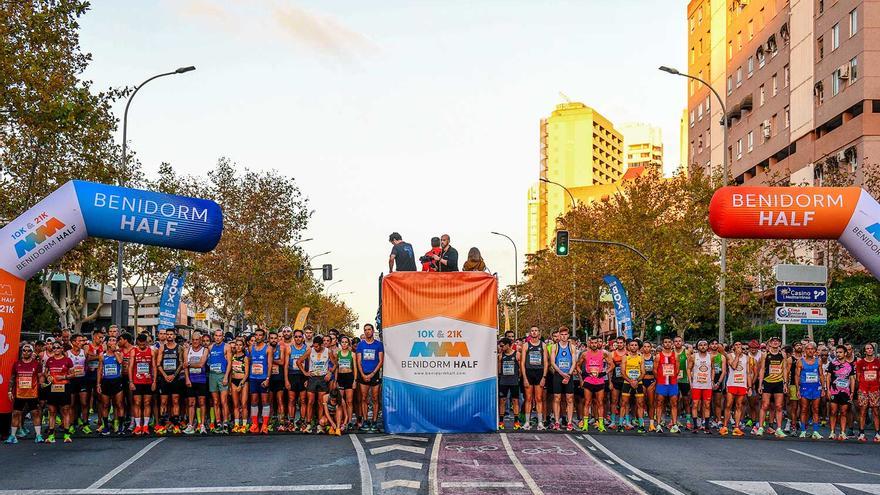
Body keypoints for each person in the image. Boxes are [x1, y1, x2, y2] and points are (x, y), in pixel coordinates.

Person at [298, 334, 337, 433]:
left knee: (321, 403)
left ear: (321, 345)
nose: (315, 348)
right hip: (312, 378)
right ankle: (308, 424)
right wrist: (305, 373)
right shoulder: (310, 350)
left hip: (323, 378)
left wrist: (330, 372)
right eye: (314, 346)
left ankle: (320, 425)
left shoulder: (328, 351)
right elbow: (299, 361)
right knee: (310, 402)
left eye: (317, 346)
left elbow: (336, 363)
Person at [6, 343, 44, 443]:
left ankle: (38, 435)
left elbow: (40, 378)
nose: (26, 352)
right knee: (16, 413)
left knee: (35, 413)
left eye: (29, 351)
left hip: (33, 394)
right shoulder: (17, 364)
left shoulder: (36, 364)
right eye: (24, 350)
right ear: (22, 352)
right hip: (19, 394)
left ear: (32, 352)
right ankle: (13, 436)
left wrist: (41, 389)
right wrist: (10, 391)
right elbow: (12, 378)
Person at [576, 335, 612, 432]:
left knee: (600, 403)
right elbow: (577, 365)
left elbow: (612, 365)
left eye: (596, 343)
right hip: (588, 381)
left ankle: (601, 424)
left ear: (598, 343)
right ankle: (585, 424)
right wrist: (583, 373)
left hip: (600, 381)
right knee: (587, 402)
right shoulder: (584, 354)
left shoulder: (603, 353)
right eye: (592, 343)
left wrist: (604, 373)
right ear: (589, 343)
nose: (594, 344)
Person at [756, 336, 788, 438]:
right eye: (773, 341)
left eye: (777, 341)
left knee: (779, 406)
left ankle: (778, 428)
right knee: (765, 405)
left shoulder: (783, 354)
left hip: (779, 382)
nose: (775, 343)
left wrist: (785, 383)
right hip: (768, 382)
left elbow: (785, 369)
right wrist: (760, 384)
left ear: (779, 343)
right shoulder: (765, 354)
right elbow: (762, 369)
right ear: (769, 343)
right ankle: (761, 427)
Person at [43, 341, 75, 443]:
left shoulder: (67, 360)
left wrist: (64, 376)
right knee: (52, 411)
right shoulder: (49, 360)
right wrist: (48, 377)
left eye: (58, 347)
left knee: (65, 410)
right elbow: (45, 372)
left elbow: (73, 374)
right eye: (54, 347)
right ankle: (51, 435)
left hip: (64, 387)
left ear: (62, 349)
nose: (56, 349)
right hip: (52, 388)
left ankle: (66, 435)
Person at [155, 329, 185, 435]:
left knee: (175, 401)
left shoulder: (180, 348)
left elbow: (181, 363)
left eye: (171, 334)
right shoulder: (162, 348)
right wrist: (165, 375)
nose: (169, 336)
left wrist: (173, 375)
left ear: (174, 336)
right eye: (167, 334)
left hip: (175, 378)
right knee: (163, 401)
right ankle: (163, 424)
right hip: (164, 377)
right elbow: (158, 364)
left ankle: (176, 424)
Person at [355, 323, 384, 432]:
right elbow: (358, 361)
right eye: (365, 329)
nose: (367, 331)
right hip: (363, 374)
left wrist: (372, 374)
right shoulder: (361, 345)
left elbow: (381, 361)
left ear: (373, 331)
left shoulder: (378, 344)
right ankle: (366, 421)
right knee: (364, 398)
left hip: (374, 374)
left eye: (369, 329)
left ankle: (375, 421)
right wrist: (363, 375)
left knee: (375, 398)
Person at [520, 325, 548, 430]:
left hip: (539, 373)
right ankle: (527, 422)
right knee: (528, 399)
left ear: (539, 333)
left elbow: (546, 362)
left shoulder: (543, 345)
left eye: (536, 330)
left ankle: (540, 422)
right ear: (530, 333)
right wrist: (524, 378)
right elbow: (522, 363)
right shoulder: (526, 345)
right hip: (529, 372)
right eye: (532, 331)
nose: (534, 332)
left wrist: (544, 377)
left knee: (539, 398)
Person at [794, 341, 824, 440]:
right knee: (804, 409)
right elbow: (797, 376)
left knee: (815, 409)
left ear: (815, 351)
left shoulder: (818, 361)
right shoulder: (800, 361)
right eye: (808, 349)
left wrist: (823, 388)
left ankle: (815, 431)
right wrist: (797, 389)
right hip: (804, 388)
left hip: (815, 388)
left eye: (812, 349)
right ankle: (803, 430)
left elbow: (821, 375)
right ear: (805, 350)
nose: (810, 351)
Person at [719, 341, 750, 436]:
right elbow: (733, 366)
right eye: (736, 345)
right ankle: (724, 426)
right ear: (733, 347)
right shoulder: (730, 356)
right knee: (728, 405)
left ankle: (736, 427)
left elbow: (748, 373)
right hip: (732, 383)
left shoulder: (747, 358)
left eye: (740, 345)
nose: (738, 347)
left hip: (742, 384)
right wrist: (737, 355)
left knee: (739, 405)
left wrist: (750, 386)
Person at [96, 336, 125, 436]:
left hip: (117, 381)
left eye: (114, 340)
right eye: (110, 340)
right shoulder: (102, 355)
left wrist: (115, 351)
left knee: (119, 404)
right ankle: (106, 427)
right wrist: (98, 384)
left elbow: (120, 362)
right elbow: (99, 370)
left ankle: (120, 427)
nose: (112, 342)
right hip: (106, 381)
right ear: (107, 343)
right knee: (105, 405)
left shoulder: (119, 353)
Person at [826, 345, 855, 440]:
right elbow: (828, 377)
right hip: (834, 391)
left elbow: (852, 379)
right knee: (833, 412)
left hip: (845, 392)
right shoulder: (832, 364)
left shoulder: (850, 365)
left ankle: (842, 432)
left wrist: (852, 392)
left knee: (843, 412)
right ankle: (832, 432)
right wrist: (828, 390)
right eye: (837, 352)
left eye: (840, 352)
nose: (838, 354)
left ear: (845, 353)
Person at [129, 333, 156, 436]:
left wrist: (154, 382)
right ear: (137, 343)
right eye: (139, 344)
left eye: (143, 344)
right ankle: (137, 426)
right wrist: (131, 382)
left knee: (147, 402)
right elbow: (131, 367)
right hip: (137, 381)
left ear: (146, 342)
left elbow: (154, 367)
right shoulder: (134, 351)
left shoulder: (151, 352)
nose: (141, 346)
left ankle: (145, 426)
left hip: (148, 382)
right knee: (137, 403)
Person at [248, 328, 273, 434]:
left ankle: (265, 425)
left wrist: (267, 379)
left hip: (263, 378)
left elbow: (270, 365)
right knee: (254, 401)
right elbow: (249, 363)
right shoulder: (250, 348)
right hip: (253, 378)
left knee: (264, 401)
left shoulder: (268, 349)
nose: (258, 337)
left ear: (263, 337)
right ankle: (255, 424)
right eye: (256, 335)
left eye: (260, 335)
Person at [184, 329, 209, 435]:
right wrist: (187, 378)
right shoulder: (187, 350)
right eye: (193, 340)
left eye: (197, 340)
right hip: (191, 380)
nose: (195, 342)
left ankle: (202, 425)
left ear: (200, 340)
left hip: (201, 379)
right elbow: (185, 367)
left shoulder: (205, 350)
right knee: (191, 403)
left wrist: (189, 364)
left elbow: (201, 364)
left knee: (202, 402)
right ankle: (190, 425)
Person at [207, 329, 232, 434]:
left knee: (224, 401)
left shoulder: (227, 347)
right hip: (212, 375)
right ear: (214, 336)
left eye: (219, 336)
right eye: (216, 336)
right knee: (215, 401)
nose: (217, 337)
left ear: (223, 337)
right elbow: (208, 361)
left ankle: (225, 423)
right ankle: (218, 423)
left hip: (222, 375)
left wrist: (226, 376)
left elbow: (230, 363)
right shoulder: (210, 347)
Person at [654, 337, 680, 434]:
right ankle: (658, 424)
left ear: (672, 344)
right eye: (665, 342)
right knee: (659, 403)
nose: (667, 344)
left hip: (672, 384)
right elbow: (655, 370)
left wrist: (672, 377)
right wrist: (660, 379)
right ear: (662, 344)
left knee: (674, 403)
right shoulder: (658, 356)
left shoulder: (675, 355)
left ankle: (674, 425)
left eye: (669, 342)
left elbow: (677, 369)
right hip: (662, 383)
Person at [285, 328, 309, 430]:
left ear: (302, 337)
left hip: (302, 376)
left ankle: (303, 421)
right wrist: (286, 380)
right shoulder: (289, 348)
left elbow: (309, 364)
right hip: (292, 375)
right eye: (296, 337)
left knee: (303, 400)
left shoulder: (306, 348)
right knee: (291, 400)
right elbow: (286, 365)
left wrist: (307, 378)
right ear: (293, 338)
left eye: (300, 336)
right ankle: (291, 421)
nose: (298, 338)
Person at [855, 343, 879, 443]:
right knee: (863, 411)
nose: (869, 350)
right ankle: (861, 433)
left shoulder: (878, 362)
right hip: (863, 389)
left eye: (870, 348)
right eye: (867, 349)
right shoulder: (860, 363)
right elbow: (858, 377)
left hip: (875, 389)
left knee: (876, 411)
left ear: (873, 350)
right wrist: (862, 388)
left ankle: (877, 433)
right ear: (865, 351)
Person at [688, 340, 714, 434]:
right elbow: (689, 368)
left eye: (704, 345)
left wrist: (712, 380)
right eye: (701, 345)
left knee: (707, 405)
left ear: (707, 346)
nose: (703, 346)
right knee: (695, 404)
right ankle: (695, 426)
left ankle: (706, 427)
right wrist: (690, 381)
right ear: (697, 347)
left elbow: (713, 369)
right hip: (696, 384)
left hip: (707, 385)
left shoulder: (710, 356)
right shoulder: (694, 356)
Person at [497, 338, 521, 430]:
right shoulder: (500, 356)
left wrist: (519, 378)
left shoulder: (517, 354)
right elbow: (499, 370)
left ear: (508, 345)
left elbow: (520, 369)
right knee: (502, 401)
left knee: (515, 401)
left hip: (514, 381)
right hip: (503, 381)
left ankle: (516, 421)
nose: (501, 347)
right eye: (500, 346)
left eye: (502, 346)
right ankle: (501, 421)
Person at [335, 336, 358, 430]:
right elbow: (336, 367)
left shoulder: (352, 354)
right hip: (340, 378)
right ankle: (341, 421)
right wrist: (336, 380)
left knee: (349, 401)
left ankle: (349, 422)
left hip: (349, 377)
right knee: (340, 402)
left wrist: (354, 381)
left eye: (346, 342)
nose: (344, 344)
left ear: (348, 344)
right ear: (340, 343)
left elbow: (355, 368)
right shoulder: (337, 353)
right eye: (343, 342)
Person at [229, 339, 250, 433]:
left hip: (243, 381)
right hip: (233, 381)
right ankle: (236, 424)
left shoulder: (245, 357)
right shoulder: (232, 357)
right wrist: (230, 385)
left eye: (240, 345)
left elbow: (246, 373)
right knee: (235, 405)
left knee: (244, 404)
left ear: (243, 346)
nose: (238, 347)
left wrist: (241, 384)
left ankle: (244, 425)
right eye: (236, 345)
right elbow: (230, 372)